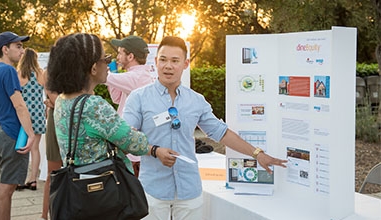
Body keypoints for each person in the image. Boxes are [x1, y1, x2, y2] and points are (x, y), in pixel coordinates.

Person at [123, 36, 288, 220]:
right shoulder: (138, 98)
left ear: (185, 64)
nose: (168, 66)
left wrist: (257, 154)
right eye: (163, 59)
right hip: (152, 191)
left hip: (189, 191)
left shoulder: (196, 100)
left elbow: (221, 132)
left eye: (175, 61)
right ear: (156, 62)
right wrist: (154, 151)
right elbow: (126, 137)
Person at [45, 33, 173, 194]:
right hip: (103, 191)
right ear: (93, 68)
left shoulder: (63, 100)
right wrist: (131, 135)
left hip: (78, 187)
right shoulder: (94, 106)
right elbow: (135, 143)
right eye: (105, 59)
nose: (109, 63)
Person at [0, 31, 35, 220]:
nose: (22, 50)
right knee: (6, 189)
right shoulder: (9, 70)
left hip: (1, 132)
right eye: (17, 46)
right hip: (12, 133)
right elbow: (19, 105)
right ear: (5, 49)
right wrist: (31, 133)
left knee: (7, 189)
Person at [105, 35, 154, 177]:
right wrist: (114, 72)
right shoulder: (134, 76)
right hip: (131, 149)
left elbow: (103, 77)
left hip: (134, 155)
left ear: (131, 56)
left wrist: (106, 70)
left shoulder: (137, 77)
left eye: (120, 52)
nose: (117, 56)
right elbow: (116, 98)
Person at [16, 48, 46, 191]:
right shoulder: (41, 74)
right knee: (35, 149)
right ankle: (33, 180)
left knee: (22, 147)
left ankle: (20, 180)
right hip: (38, 114)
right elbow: (47, 94)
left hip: (24, 115)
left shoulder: (19, 74)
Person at [40, 82, 61, 220]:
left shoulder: (79, 66)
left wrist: (56, 103)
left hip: (74, 120)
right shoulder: (50, 70)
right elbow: (56, 101)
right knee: (53, 174)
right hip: (57, 121)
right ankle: (44, 216)